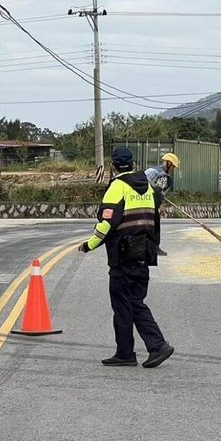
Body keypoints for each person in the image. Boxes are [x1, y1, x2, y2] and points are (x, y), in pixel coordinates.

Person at [78, 147, 174, 368]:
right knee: (131, 301)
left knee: (126, 303)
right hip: (144, 254)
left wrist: (89, 245)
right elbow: (155, 219)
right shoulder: (148, 188)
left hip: (124, 255)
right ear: (133, 164)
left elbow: (107, 223)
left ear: (113, 166)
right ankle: (125, 353)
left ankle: (156, 345)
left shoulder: (117, 187)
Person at [144, 153, 180, 256]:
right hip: (150, 202)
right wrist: (160, 206)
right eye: (173, 166)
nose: (173, 169)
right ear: (168, 163)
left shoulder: (153, 170)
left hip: (140, 200)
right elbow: (158, 192)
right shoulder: (164, 176)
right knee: (155, 224)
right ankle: (155, 248)